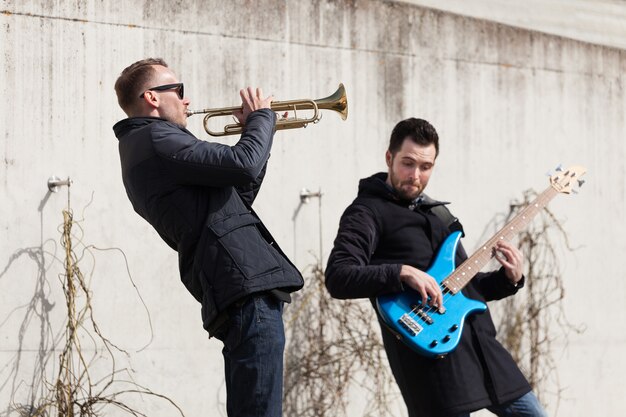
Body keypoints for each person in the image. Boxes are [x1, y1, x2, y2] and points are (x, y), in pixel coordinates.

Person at [113, 58, 303, 417]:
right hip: (244, 290)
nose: (186, 100)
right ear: (152, 97)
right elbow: (243, 162)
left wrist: (260, 133)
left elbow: (236, 198)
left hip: (234, 288)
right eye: (178, 90)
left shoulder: (145, 146)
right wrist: (262, 118)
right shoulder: (156, 138)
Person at [325, 118, 548, 417]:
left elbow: (461, 287)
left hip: (483, 349)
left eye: (425, 167)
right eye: (407, 163)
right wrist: (401, 271)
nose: (415, 175)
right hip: (432, 357)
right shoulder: (366, 212)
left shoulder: (438, 214)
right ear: (389, 158)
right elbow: (339, 276)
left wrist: (509, 279)